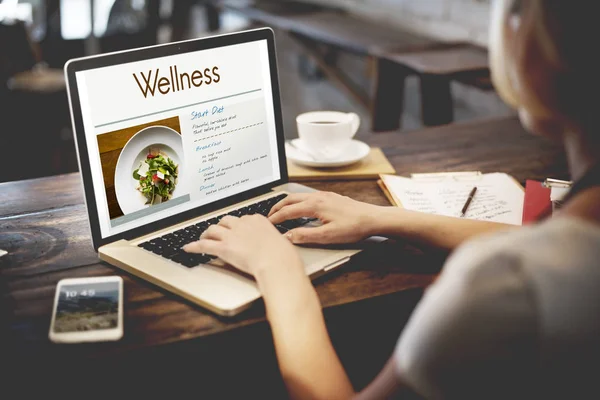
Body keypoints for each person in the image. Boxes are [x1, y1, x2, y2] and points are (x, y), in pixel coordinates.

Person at [184, 0, 600, 398]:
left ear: (556, 49)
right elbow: (540, 242)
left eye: (517, 11)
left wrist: (276, 268)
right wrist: (386, 218)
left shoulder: (500, 284)